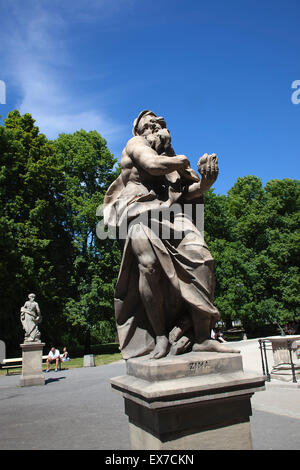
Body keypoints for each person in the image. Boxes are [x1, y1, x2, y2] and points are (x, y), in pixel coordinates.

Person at [103, 110, 239, 360]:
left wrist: (206, 182)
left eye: (158, 124)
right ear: (139, 130)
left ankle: (201, 337)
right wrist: (185, 160)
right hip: (138, 209)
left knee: (203, 257)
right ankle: (160, 337)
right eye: (149, 124)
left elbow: (187, 193)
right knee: (149, 266)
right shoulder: (136, 145)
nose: (154, 127)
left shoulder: (170, 154)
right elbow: (152, 166)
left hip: (170, 215)